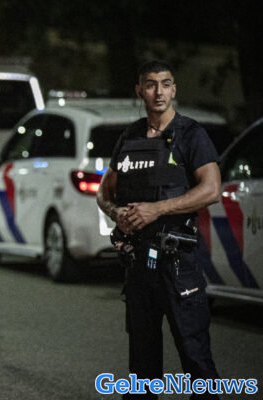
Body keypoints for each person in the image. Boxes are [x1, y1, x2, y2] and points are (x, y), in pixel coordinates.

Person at [97, 60, 222, 399]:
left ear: (174, 89)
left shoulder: (191, 134)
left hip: (177, 263)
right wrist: (117, 212)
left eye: (166, 84)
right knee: (142, 365)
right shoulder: (130, 136)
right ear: (140, 90)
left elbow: (211, 189)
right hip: (139, 263)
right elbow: (104, 192)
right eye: (151, 84)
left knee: (196, 359)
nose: (159, 92)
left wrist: (157, 209)